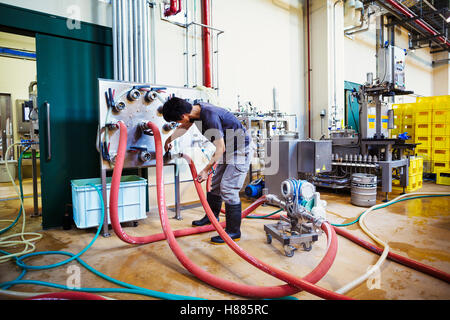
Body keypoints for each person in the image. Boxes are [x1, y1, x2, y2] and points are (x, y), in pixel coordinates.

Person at [161, 97, 253, 245]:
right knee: (215, 185)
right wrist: (168, 140)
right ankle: (211, 218)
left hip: (241, 149)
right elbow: (185, 126)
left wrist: (205, 170)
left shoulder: (209, 116)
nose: (178, 124)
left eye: (177, 121)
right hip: (228, 149)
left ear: (183, 116)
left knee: (228, 188)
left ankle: (233, 232)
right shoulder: (194, 111)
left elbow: (220, 148)